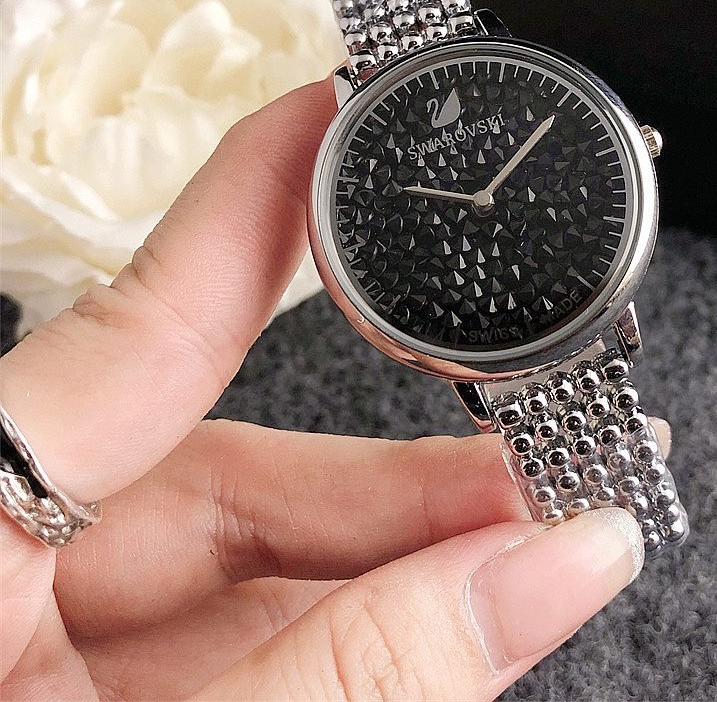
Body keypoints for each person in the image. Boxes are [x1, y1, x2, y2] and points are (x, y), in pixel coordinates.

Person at [1, 79, 669, 700]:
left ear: (636, 149)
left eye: (489, 193)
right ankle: (608, 523)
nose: (483, 202)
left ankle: (609, 520)